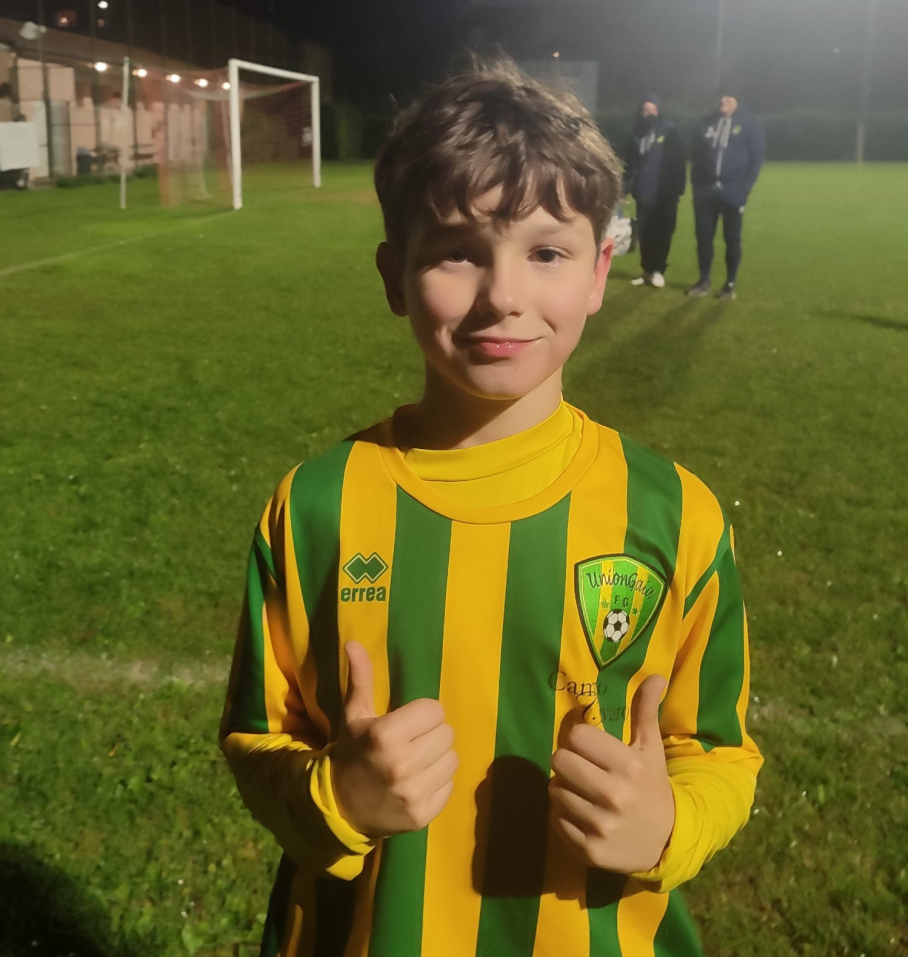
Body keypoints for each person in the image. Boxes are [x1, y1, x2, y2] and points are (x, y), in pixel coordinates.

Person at [220, 58, 762, 957]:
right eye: (457, 251)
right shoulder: (315, 507)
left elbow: (718, 749)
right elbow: (257, 738)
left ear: (599, 271)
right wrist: (337, 797)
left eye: (546, 252)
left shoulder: (674, 514)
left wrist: (669, 825)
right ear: (395, 276)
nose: (504, 295)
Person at [686, 88, 765, 300]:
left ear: (737, 99)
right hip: (705, 190)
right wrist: (697, 183)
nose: (722, 100)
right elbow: (694, 152)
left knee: (732, 238)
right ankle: (704, 280)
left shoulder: (750, 123)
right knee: (703, 237)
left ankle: (729, 284)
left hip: (733, 190)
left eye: (728, 96)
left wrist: (747, 185)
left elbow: (757, 156)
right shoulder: (705, 123)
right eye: (720, 96)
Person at [622, 95, 687, 288]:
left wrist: (678, 188)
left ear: (659, 111)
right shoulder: (634, 133)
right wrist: (623, 189)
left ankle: (659, 270)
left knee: (662, 233)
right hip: (643, 193)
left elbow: (679, 161)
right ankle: (647, 270)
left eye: (653, 110)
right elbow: (629, 164)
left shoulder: (670, 131)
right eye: (645, 110)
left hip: (665, 194)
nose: (649, 114)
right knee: (645, 234)